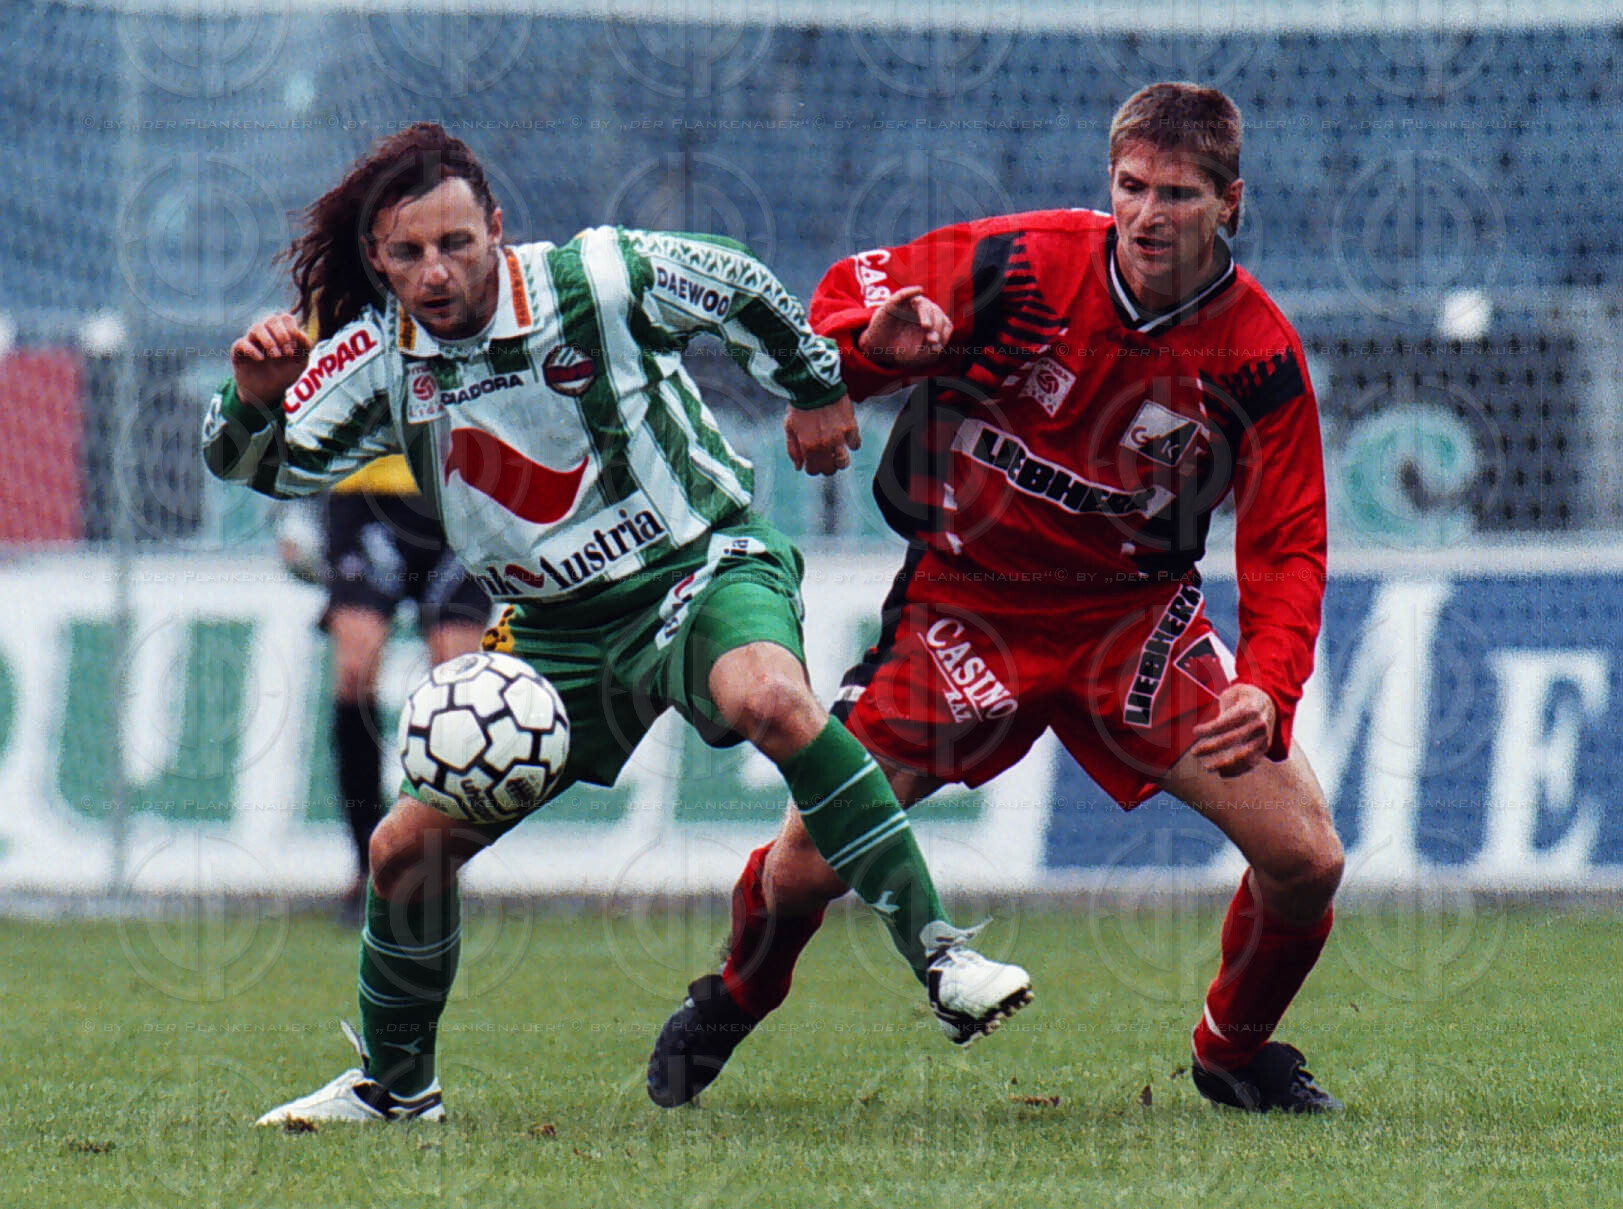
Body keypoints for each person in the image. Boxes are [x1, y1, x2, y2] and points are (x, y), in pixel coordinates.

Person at [201, 122, 1030, 1125]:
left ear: (496, 227)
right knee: (403, 851)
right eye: (408, 252)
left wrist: (815, 387)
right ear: (378, 260)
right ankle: (396, 1088)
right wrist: (250, 401)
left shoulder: (593, 278)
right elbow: (261, 465)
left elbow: (736, 283)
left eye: (455, 242)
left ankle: (944, 958)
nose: (435, 271)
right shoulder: (380, 357)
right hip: (555, 630)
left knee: (773, 700)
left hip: (698, 563)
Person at [648, 82, 1345, 1114]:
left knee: (1306, 857)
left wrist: (1268, 686)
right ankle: (736, 995)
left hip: (1132, 623)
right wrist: (862, 356)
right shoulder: (1022, 265)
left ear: (1230, 202)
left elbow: (1288, 544)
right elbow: (840, 307)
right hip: (965, 608)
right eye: (1132, 188)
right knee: (803, 867)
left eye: (1180, 195)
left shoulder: (1259, 355)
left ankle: (1231, 1052)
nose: (1149, 216)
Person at [274, 453, 491, 926]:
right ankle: (368, 864)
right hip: (364, 492)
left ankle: (437, 862)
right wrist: (292, 500)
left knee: (457, 680)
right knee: (354, 668)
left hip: (458, 489)